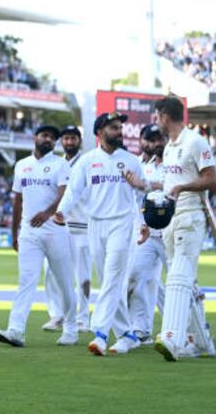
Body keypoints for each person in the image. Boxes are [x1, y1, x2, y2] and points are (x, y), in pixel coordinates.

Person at [55, 112, 145, 356]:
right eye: (114, 128)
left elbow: (142, 195)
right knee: (109, 281)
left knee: (113, 276)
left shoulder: (131, 160)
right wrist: (61, 211)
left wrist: (143, 223)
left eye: (120, 127)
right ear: (100, 132)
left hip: (122, 223)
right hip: (95, 224)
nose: (119, 132)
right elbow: (73, 191)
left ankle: (101, 334)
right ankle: (127, 334)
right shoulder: (87, 161)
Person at [0, 125, 78, 347]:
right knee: (26, 281)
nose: (48, 139)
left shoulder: (60, 164)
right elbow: (17, 201)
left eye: (52, 137)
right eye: (45, 135)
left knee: (64, 282)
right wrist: (14, 233)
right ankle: (16, 330)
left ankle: (71, 327)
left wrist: (47, 213)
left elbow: (63, 195)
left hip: (54, 231)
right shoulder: (22, 165)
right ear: (35, 138)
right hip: (29, 232)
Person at [151, 95, 216, 361]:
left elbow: (212, 180)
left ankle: (172, 338)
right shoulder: (169, 147)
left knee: (178, 277)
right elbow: (171, 184)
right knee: (185, 283)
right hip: (171, 217)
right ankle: (202, 343)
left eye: (157, 116)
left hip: (191, 215)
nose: (156, 121)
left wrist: (183, 187)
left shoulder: (195, 141)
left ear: (165, 116)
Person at [42, 125, 91, 333]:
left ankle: (82, 317)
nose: (69, 142)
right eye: (66, 138)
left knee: (82, 276)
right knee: (51, 273)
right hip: (58, 225)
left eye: (73, 138)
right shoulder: (56, 163)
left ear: (79, 140)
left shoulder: (87, 162)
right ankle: (58, 315)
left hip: (82, 225)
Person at [125, 124, 167, 346]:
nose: (156, 143)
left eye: (159, 138)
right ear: (141, 141)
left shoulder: (173, 163)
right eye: (151, 139)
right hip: (145, 232)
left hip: (171, 231)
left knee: (179, 283)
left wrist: (147, 185)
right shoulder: (137, 165)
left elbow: (174, 188)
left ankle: (191, 331)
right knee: (139, 278)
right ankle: (141, 330)